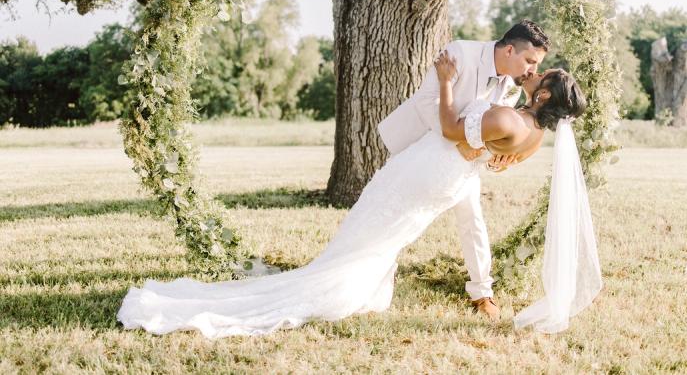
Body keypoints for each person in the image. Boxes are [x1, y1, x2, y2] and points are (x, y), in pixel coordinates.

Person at [117, 44, 599, 339]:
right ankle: (357, 284)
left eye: (541, 74)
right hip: (447, 180)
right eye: (534, 65)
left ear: (542, 95)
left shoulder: (508, 115)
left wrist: (446, 83)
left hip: (427, 170)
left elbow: (453, 129)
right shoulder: (535, 135)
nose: (533, 72)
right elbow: (494, 159)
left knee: (370, 224)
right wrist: (480, 149)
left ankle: (325, 286)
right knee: (383, 237)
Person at [377, 20, 550, 318]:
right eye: (530, 61)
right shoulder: (460, 53)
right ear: (510, 50)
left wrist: (497, 155)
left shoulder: (513, 86)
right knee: (395, 211)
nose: (533, 70)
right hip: (419, 144)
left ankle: (482, 293)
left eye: (537, 64)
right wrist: (456, 140)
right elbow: (426, 101)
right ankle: (381, 273)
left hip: (461, 162)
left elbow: (491, 130)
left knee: (472, 218)